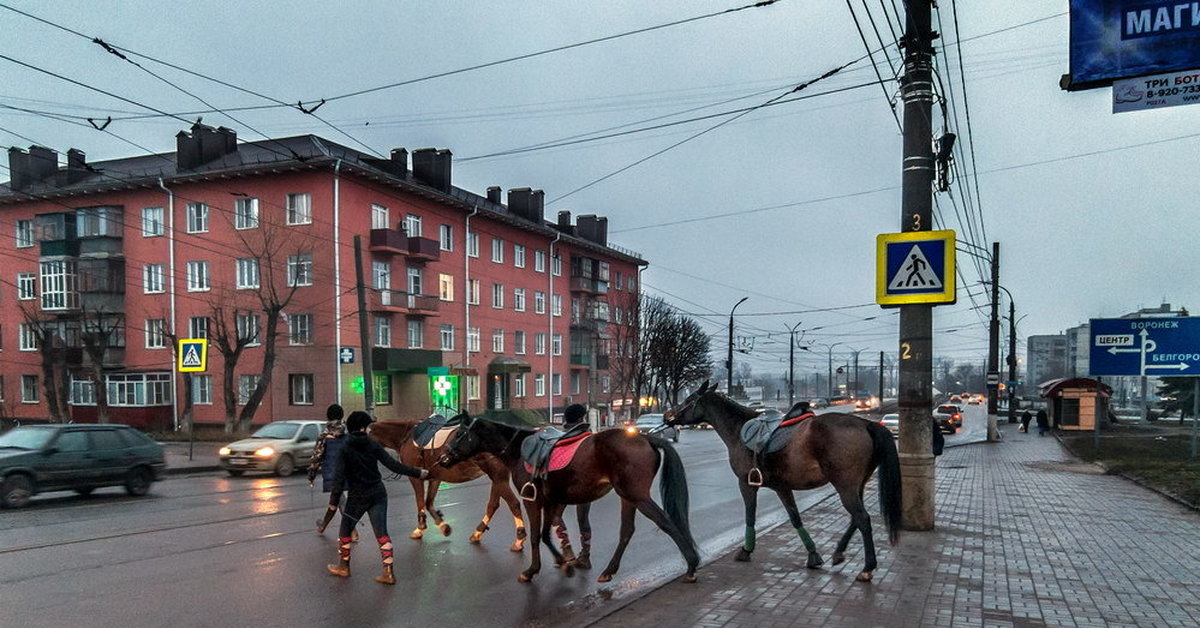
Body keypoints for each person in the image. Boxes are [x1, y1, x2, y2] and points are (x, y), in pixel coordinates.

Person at [326, 411, 428, 585]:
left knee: (345, 532)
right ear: (362, 427)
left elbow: (338, 480)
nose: (369, 430)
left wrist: (333, 504)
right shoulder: (373, 445)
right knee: (382, 534)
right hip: (378, 494)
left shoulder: (345, 448)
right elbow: (394, 465)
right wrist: (418, 472)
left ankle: (344, 567)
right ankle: (388, 573)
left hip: (356, 498)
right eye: (368, 426)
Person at [552, 404, 592, 564]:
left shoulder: (561, 439)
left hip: (564, 486)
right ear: (581, 419)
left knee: (555, 516)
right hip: (587, 485)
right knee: (583, 520)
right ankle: (585, 555)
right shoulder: (589, 439)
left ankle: (566, 549)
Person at [309, 404, 347, 535]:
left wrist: (311, 475)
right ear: (342, 415)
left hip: (332, 471)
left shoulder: (325, 435)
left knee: (340, 499)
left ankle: (351, 530)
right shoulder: (348, 433)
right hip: (348, 471)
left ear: (328, 416)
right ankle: (323, 525)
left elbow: (316, 457)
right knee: (335, 499)